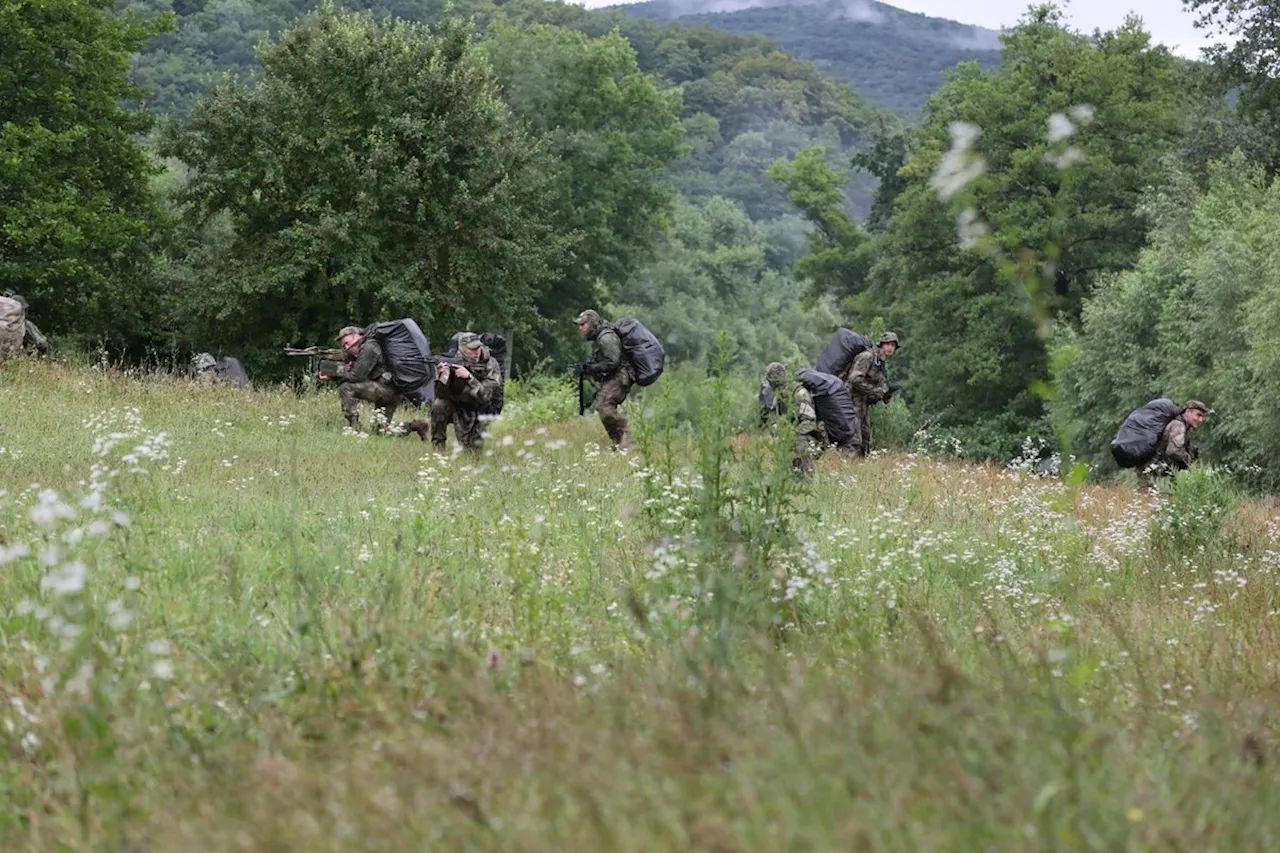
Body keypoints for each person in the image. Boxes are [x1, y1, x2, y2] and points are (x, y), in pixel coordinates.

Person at [405, 333, 501, 452]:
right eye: (472, 349)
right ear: (462, 348)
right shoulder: (453, 361)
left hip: (478, 409)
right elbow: (440, 395)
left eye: (478, 348)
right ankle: (438, 449)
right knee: (439, 405)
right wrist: (440, 376)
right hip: (456, 405)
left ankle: (423, 424)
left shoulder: (491, 364)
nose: (476, 351)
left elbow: (485, 397)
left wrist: (469, 377)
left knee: (472, 454)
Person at [320, 325, 401, 432]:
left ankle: (354, 427)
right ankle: (416, 426)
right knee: (381, 432)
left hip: (387, 391)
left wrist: (334, 374)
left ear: (355, 336)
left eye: (347, 343)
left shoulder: (369, 347)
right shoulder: (373, 345)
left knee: (345, 387)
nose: (347, 348)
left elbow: (356, 376)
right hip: (391, 390)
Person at [574, 310, 633, 450]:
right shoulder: (599, 337)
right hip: (617, 376)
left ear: (592, 324)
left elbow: (612, 362)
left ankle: (627, 440)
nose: (580, 328)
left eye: (583, 324)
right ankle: (619, 443)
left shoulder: (606, 337)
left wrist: (593, 368)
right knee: (603, 406)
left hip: (621, 376)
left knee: (604, 405)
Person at [761, 362, 827, 477]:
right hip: (790, 436)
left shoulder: (799, 393)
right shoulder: (779, 396)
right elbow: (773, 418)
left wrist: (793, 433)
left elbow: (809, 421)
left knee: (798, 442)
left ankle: (809, 480)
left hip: (812, 438)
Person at [844, 331, 899, 456]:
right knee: (855, 439)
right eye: (888, 344)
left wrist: (885, 395)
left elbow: (879, 383)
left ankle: (862, 469)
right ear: (881, 345)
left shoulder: (880, 362)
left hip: (863, 402)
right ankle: (845, 466)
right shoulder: (867, 357)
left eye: (893, 345)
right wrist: (876, 392)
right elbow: (854, 378)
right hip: (851, 400)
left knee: (866, 440)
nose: (890, 348)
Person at [1138, 400, 1208, 489]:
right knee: (1150, 498)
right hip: (1154, 470)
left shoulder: (1182, 426)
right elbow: (1173, 451)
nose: (1200, 420)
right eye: (1198, 415)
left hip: (1156, 470)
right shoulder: (1178, 425)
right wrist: (1189, 462)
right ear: (1188, 412)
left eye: (1202, 416)